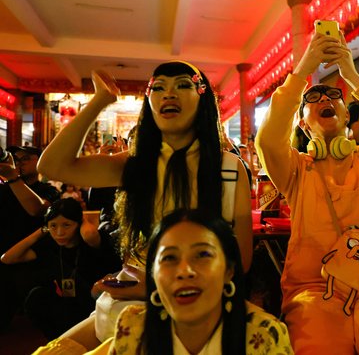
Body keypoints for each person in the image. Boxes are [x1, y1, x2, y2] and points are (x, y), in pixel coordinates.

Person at [35, 61, 252, 352]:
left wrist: (151, 287)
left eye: (183, 85)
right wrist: (100, 100)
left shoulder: (228, 168)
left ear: (203, 98)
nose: (168, 94)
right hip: (126, 299)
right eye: (158, 87)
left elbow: (241, 261)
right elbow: (52, 165)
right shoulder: (134, 165)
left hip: (193, 301)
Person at [255, 32, 359, 354]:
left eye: (332, 95)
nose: (323, 100)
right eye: (313, 98)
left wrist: (352, 75)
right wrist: (302, 70)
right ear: (304, 126)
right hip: (314, 285)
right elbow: (267, 141)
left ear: (347, 115)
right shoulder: (294, 168)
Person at [61, 209, 292, 355]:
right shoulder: (133, 329)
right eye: (169, 258)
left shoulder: (262, 337)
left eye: (202, 255)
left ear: (229, 270)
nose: (185, 271)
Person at [1, 198, 120, 339]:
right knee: (36, 297)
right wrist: (42, 231)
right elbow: (7, 258)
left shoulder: (91, 241)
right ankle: (58, 342)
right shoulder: (50, 245)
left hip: (95, 300)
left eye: (66, 225)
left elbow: (90, 234)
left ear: (78, 224)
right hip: (68, 303)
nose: (59, 232)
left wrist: (83, 220)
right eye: (53, 226)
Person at [0, 145, 60, 331]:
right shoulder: (3, 190)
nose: (19, 162)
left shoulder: (48, 190)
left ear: (40, 162)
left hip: (34, 260)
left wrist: (12, 178)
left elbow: (37, 209)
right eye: (15, 159)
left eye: (25, 158)